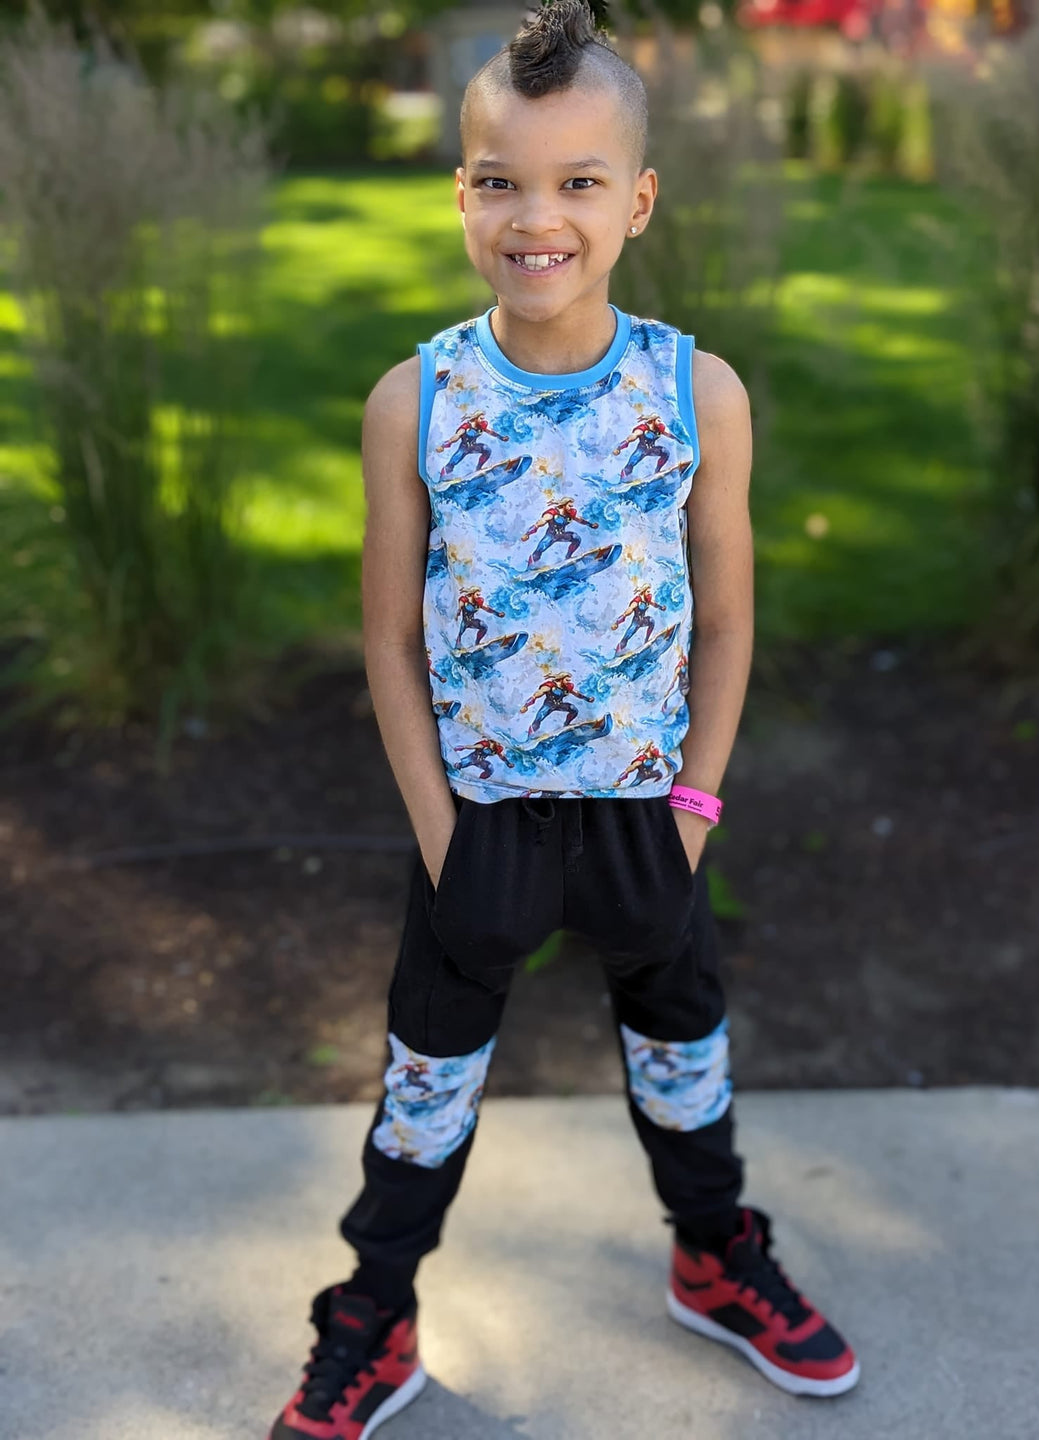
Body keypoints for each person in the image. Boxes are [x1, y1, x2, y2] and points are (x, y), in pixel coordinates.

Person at [268, 3, 859, 1436]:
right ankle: (375, 1312)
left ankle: (715, 1254)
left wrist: (693, 811)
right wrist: (441, 835)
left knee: (687, 1057)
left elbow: (727, 623)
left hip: (648, 816)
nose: (538, 218)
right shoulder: (414, 400)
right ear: (461, 193)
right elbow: (390, 639)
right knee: (425, 1087)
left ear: (637, 200)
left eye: (578, 181)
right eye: (502, 182)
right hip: (478, 823)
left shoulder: (696, 392)